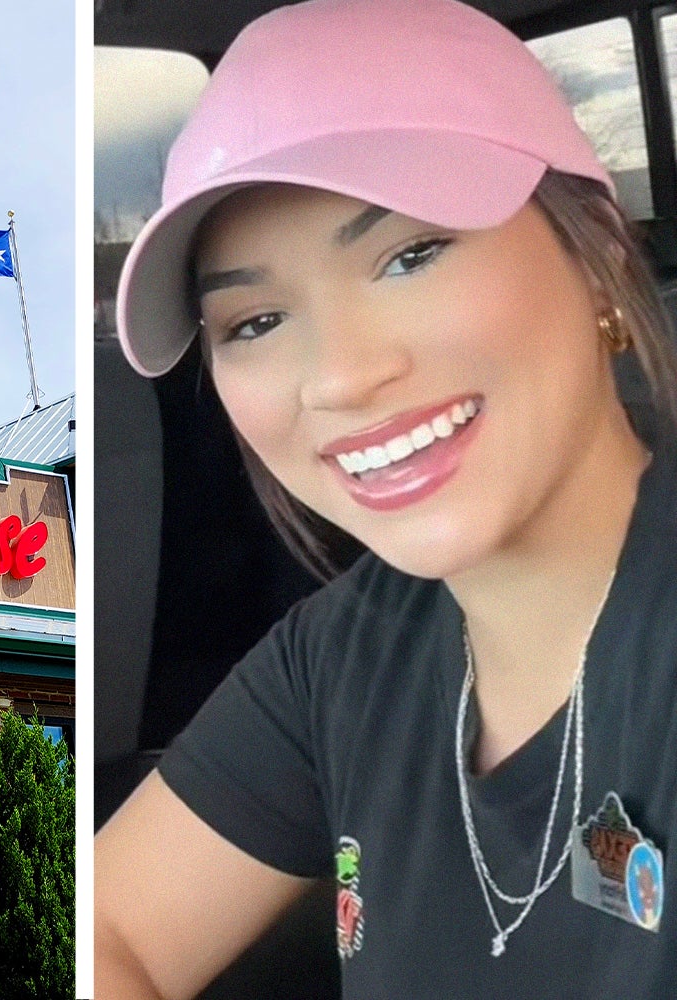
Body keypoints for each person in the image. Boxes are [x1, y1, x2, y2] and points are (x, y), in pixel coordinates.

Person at [93, 0, 677, 996]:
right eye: (255, 321)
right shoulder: (339, 655)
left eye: (410, 256)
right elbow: (108, 928)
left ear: (601, 263)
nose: (339, 377)